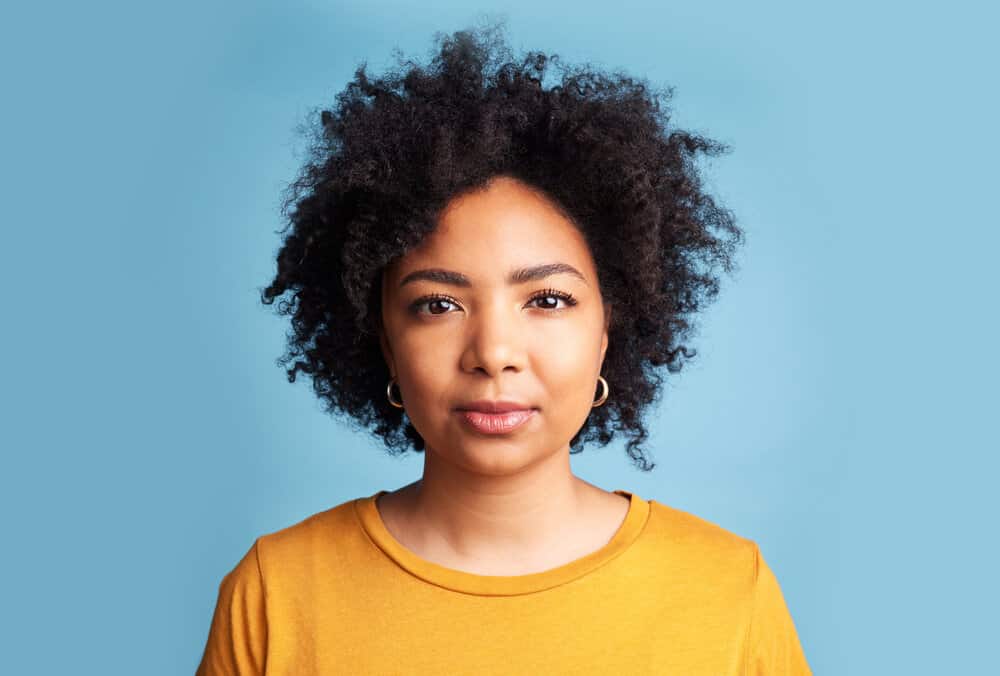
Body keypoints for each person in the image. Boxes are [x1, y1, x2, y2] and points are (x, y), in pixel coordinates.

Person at [195, 21, 812, 675]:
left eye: (547, 300)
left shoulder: (726, 587)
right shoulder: (276, 592)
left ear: (609, 328)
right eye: (438, 305)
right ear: (384, 338)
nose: (493, 352)